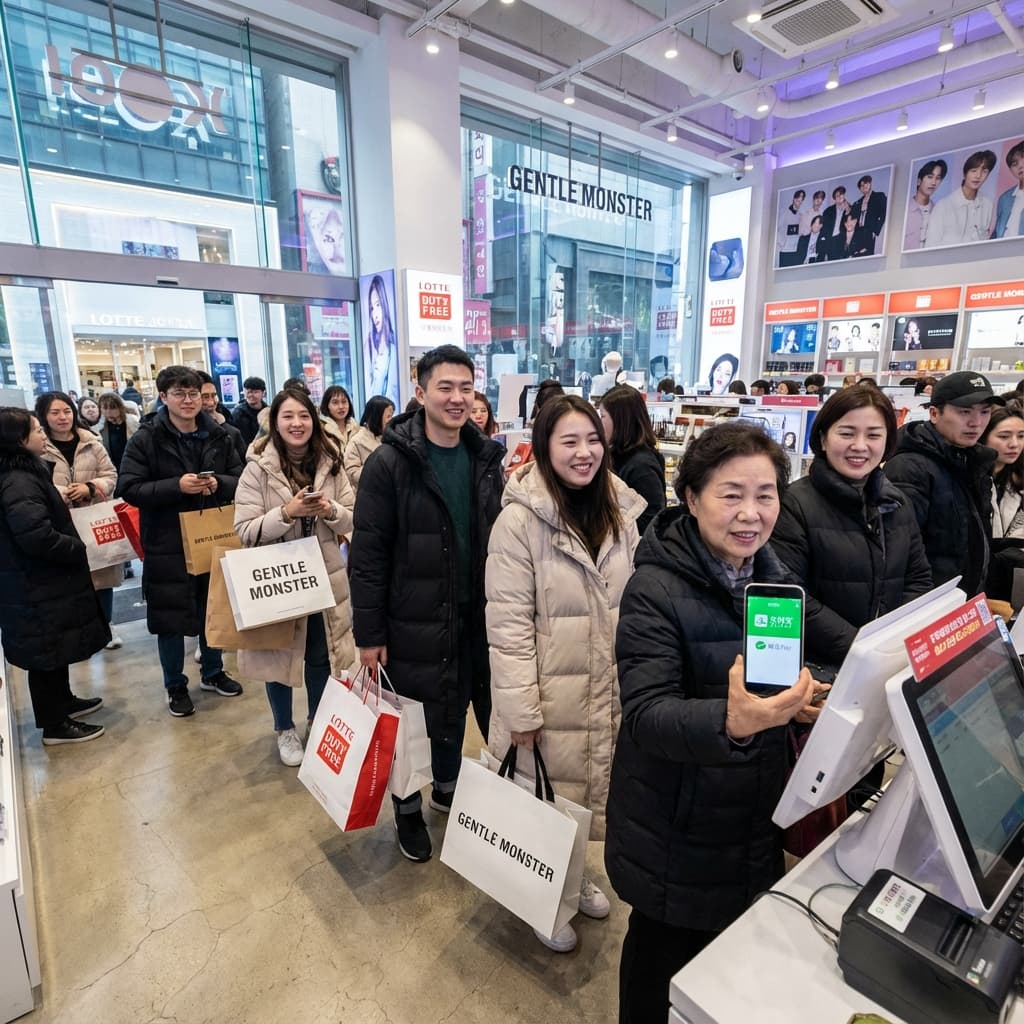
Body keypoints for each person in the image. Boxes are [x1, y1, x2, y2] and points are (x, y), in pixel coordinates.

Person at [605, 421, 826, 1023]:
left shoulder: (775, 578)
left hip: (752, 816)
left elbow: (764, 684)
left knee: (723, 975)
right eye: (731, 495)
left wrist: (790, 705)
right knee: (661, 962)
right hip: (675, 823)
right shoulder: (653, 587)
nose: (750, 513)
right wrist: (730, 723)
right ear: (692, 497)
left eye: (765, 494)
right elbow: (647, 714)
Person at [486, 395, 643, 952]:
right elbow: (507, 627)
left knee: (585, 795)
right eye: (568, 442)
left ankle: (573, 880)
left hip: (603, 687)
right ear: (544, 448)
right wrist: (520, 711)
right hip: (548, 693)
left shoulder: (621, 512)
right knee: (542, 800)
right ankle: (543, 897)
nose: (584, 453)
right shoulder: (517, 523)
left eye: (592, 440)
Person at [348, 345, 505, 863]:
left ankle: (446, 784)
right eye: (446, 387)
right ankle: (407, 810)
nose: (458, 398)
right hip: (408, 617)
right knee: (407, 719)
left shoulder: (484, 459)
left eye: (466, 388)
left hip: (471, 617)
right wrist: (369, 636)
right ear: (420, 392)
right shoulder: (389, 463)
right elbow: (367, 557)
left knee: (454, 705)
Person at [234, 388, 356, 766]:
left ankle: (317, 720)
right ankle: (283, 728)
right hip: (278, 578)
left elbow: (353, 517)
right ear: (275, 423)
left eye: (303, 416)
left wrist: (329, 509)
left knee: (322, 655)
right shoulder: (257, 466)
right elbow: (244, 529)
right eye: (287, 416)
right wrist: (287, 512)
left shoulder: (332, 461)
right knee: (279, 658)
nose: (296, 424)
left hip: (323, 574)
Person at [116, 366, 245, 717]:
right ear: (163, 397)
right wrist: (177, 486)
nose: (188, 401)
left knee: (213, 609)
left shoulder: (220, 434)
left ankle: (214, 672)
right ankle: (175, 686)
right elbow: (127, 487)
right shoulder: (145, 439)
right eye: (179, 394)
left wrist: (219, 482)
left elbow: (241, 478)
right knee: (171, 617)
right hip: (167, 542)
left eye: (193, 394)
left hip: (212, 535)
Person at [771, 386, 932, 660]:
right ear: (823, 439)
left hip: (885, 658)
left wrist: (893, 643)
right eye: (846, 433)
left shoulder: (897, 502)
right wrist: (860, 647)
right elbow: (790, 596)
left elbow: (918, 578)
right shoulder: (792, 504)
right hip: (818, 665)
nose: (860, 445)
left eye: (873, 435)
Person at [0, 408, 108, 744]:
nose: (43, 433)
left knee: (55, 647)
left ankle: (63, 702)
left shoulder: (26, 472)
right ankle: (54, 724)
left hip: (42, 582)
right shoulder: (17, 479)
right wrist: (75, 547)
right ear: (18, 439)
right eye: (36, 429)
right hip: (35, 583)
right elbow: (35, 535)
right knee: (45, 653)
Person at [884, 371, 997, 597]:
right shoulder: (909, 467)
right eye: (964, 412)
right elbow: (900, 553)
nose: (976, 422)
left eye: (985, 412)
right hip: (930, 606)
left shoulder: (972, 460)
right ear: (934, 413)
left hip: (961, 602)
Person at [36, 390, 124, 650]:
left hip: (94, 516)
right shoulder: (39, 447)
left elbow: (111, 475)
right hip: (58, 521)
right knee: (69, 576)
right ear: (44, 416)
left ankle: (106, 623)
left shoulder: (91, 442)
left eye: (66, 411)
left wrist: (90, 487)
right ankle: (77, 628)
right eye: (55, 412)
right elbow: (34, 484)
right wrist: (61, 493)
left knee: (102, 573)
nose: (62, 417)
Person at [599, 384, 665, 537]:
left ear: (620, 420)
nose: (599, 423)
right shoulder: (617, 455)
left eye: (602, 416)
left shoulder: (641, 466)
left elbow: (652, 519)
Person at [925, 150, 997, 247]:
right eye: (974, 170)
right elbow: (931, 246)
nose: (978, 176)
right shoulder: (943, 206)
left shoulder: (988, 205)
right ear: (965, 174)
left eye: (984, 171)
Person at [982, 406, 1024, 539]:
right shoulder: (970, 479)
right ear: (983, 436)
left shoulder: (1018, 478)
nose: (1014, 444)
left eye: (1021, 436)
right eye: (1004, 436)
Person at [343, 395, 394, 491]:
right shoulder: (356, 441)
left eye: (392, 416)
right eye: (388, 416)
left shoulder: (392, 437)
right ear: (376, 417)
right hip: (369, 495)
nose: (391, 420)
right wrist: (378, 470)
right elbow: (351, 473)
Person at [365, 275, 400, 406]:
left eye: (378, 305)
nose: (375, 314)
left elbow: (392, 393)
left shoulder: (393, 351)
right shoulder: (369, 347)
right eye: (372, 308)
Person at [197, 373, 246, 463]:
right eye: (205, 397)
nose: (211, 402)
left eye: (214, 395)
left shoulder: (231, 431)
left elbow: (241, 469)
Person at [904, 159, 947, 250]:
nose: (934, 182)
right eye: (930, 177)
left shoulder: (938, 212)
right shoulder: (904, 211)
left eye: (938, 178)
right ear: (919, 181)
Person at [95, 392, 139, 471]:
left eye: (112, 408)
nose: (108, 412)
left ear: (120, 408)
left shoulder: (133, 423)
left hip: (133, 468)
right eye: (105, 408)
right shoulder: (99, 428)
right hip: (112, 470)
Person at [992, 140, 1024, 239]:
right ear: (1011, 170)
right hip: (1003, 253)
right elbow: (996, 234)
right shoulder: (1004, 198)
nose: (1020, 166)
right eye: (1015, 164)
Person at [849, 173, 887, 253]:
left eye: (866, 183)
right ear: (860, 189)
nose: (864, 186)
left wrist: (875, 230)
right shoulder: (858, 202)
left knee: (867, 253)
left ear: (870, 184)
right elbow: (853, 217)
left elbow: (884, 214)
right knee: (856, 254)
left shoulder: (879, 196)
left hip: (870, 231)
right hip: (858, 232)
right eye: (861, 185)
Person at [320, 385, 359, 452]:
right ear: (327, 405)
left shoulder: (356, 427)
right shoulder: (321, 429)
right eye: (335, 402)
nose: (341, 406)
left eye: (344, 402)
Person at [232, 376, 267, 447]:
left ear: (263, 393)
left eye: (255, 392)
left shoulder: (268, 412)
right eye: (249, 392)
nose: (251, 395)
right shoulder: (238, 413)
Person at [777, 189, 805, 267]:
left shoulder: (800, 215)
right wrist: (780, 244)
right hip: (785, 250)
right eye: (797, 200)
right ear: (794, 199)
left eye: (801, 201)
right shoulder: (784, 213)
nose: (799, 202)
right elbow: (777, 229)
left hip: (795, 250)